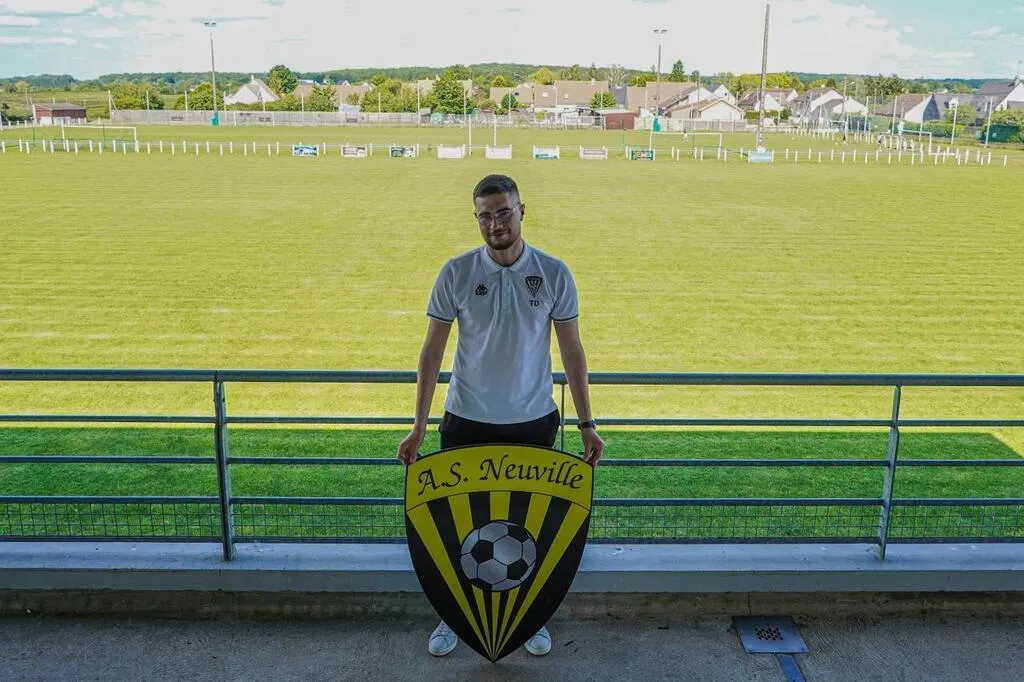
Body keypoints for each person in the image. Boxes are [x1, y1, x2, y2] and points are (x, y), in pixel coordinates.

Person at [396, 173, 604, 658]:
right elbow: (431, 352)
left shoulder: (554, 273)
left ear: (522, 211)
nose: (496, 224)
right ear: (476, 219)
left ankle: (529, 618)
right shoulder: (456, 272)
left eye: (504, 212)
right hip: (465, 421)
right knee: (457, 528)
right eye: (485, 216)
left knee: (530, 528)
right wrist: (418, 426)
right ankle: (452, 615)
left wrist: (587, 424)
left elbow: (573, 351)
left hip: (533, 422)